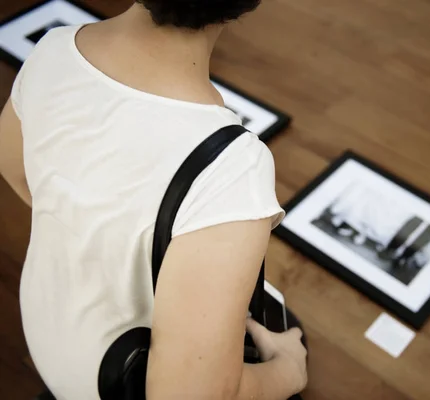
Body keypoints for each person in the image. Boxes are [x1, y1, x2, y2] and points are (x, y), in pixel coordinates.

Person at [0, 1, 307, 399]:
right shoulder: (230, 167)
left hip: (48, 331)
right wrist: (288, 371)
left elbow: (14, 167)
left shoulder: (53, 49)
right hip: (112, 382)